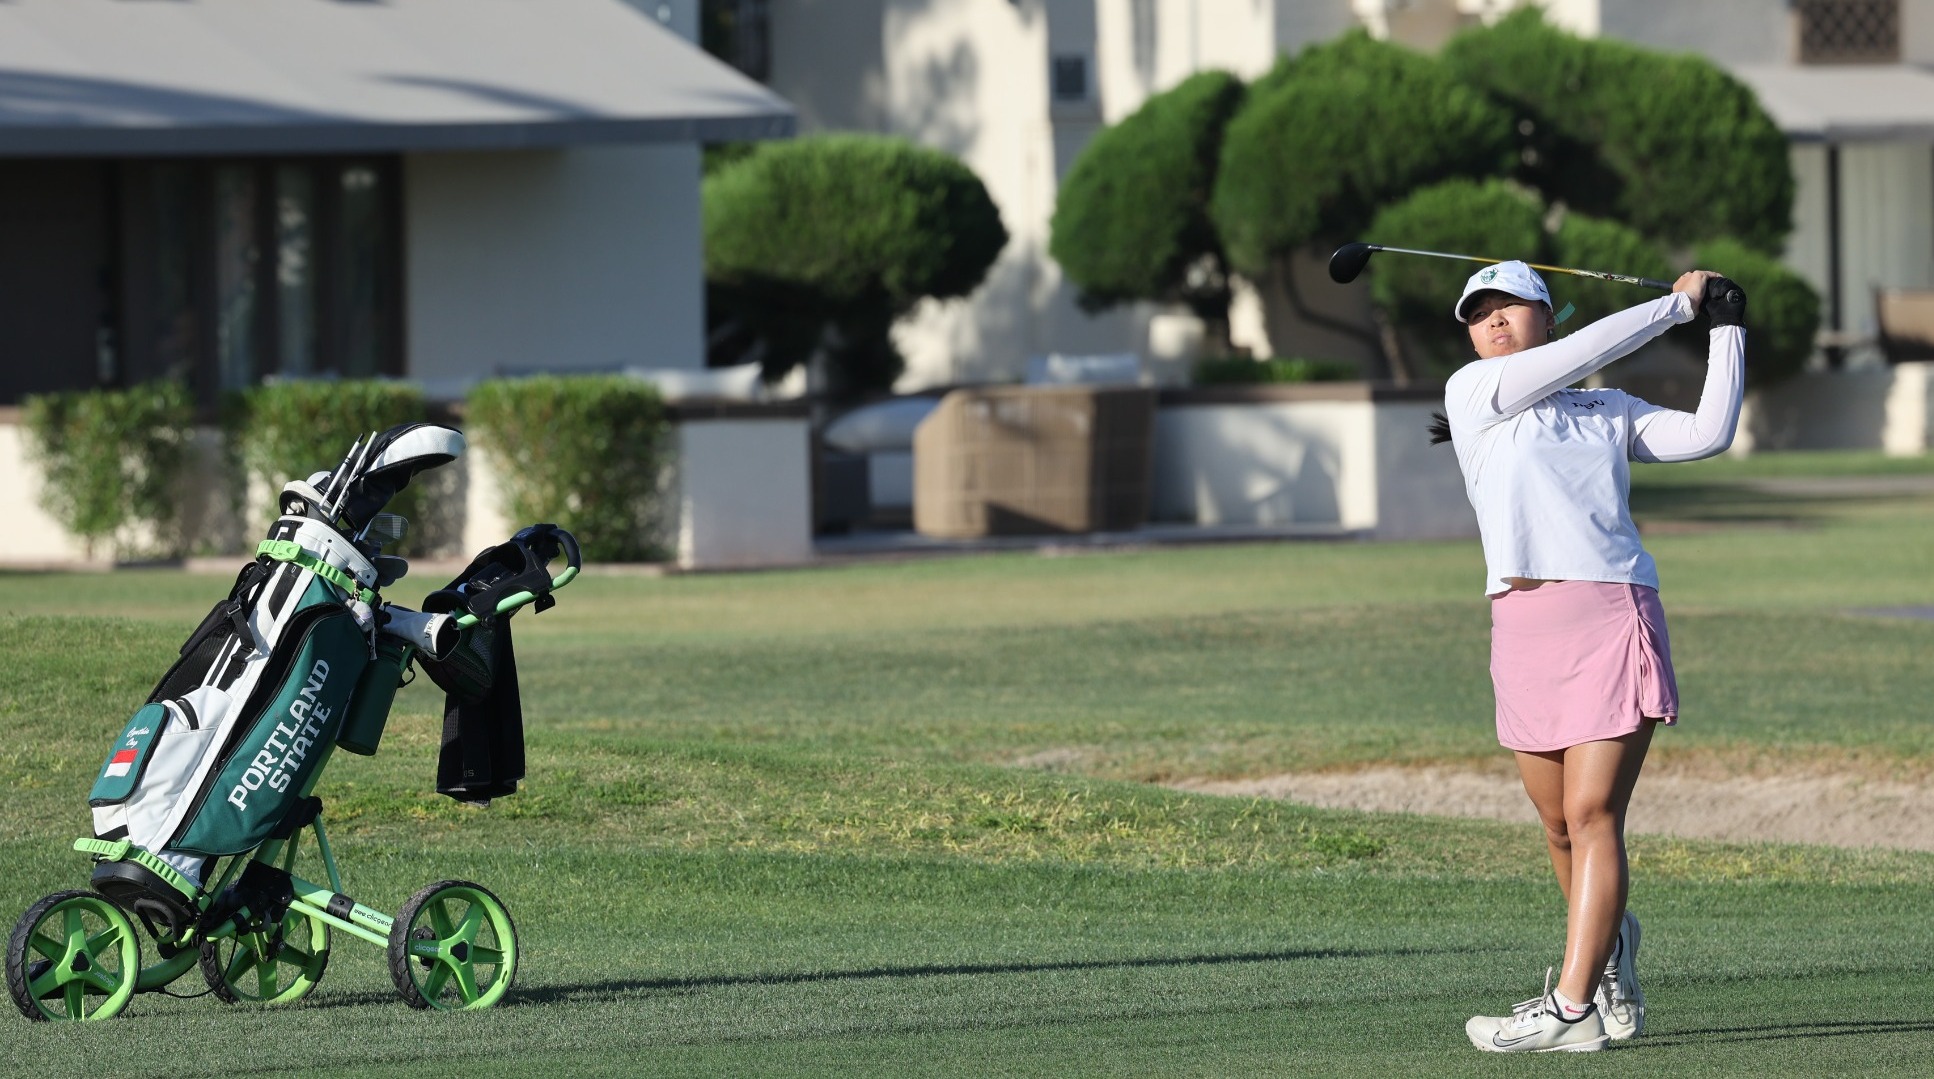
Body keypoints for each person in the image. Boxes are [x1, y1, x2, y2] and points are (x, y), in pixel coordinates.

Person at [1433, 261, 1746, 1053]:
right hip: (1522, 623)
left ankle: (1573, 1007)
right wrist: (1674, 304)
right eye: (1481, 312)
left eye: (1510, 307)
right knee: (1556, 827)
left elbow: (1708, 432)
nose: (1494, 321)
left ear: (1548, 314)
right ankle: (1606, 947)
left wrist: (1725, 328)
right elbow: (1573, 357)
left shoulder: (1607, 407)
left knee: (1592, 811)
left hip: (1610, 612)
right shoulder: (1472, 392)